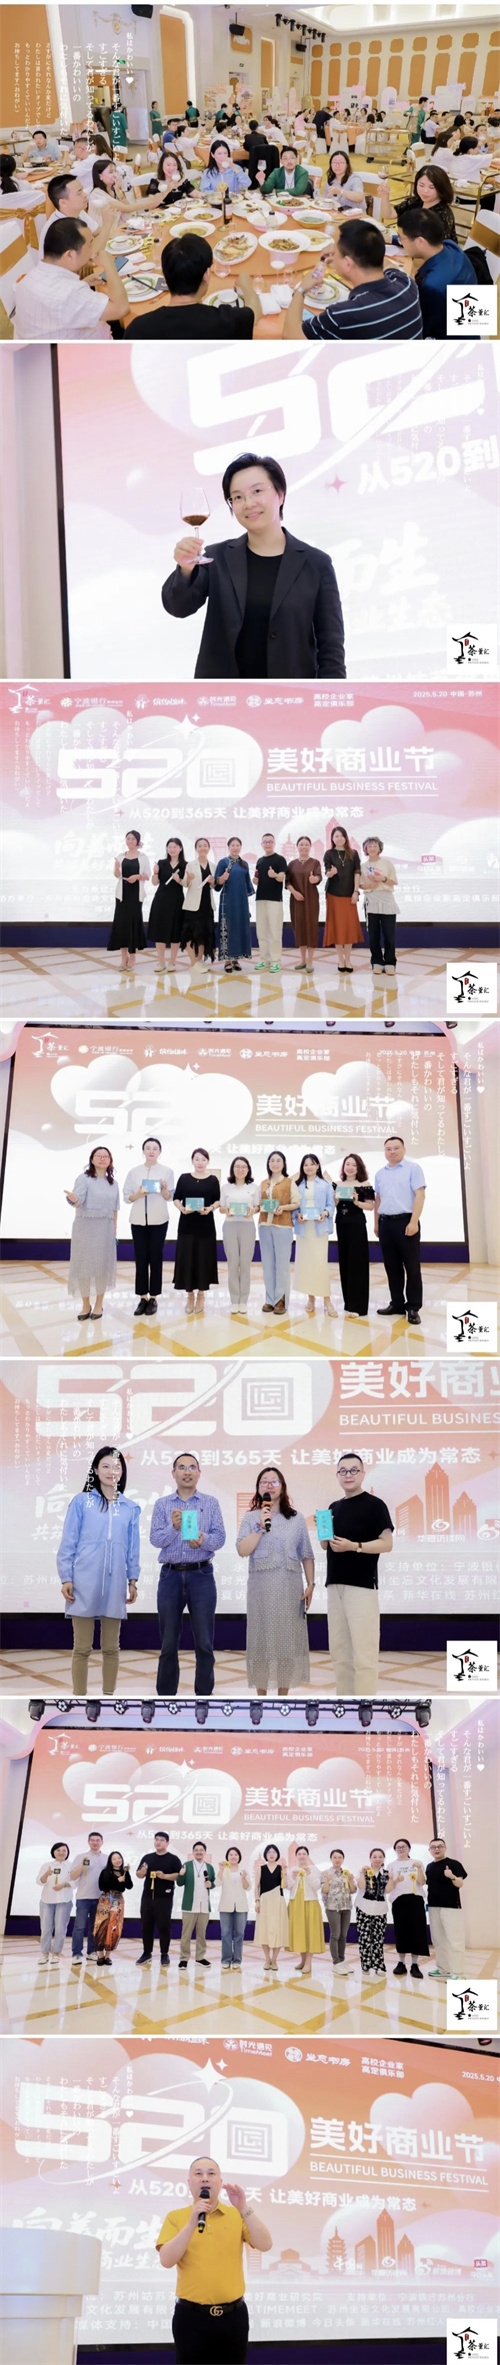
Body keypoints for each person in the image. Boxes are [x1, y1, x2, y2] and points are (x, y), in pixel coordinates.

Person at [162, 451, 346, 680]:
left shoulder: (316, 564)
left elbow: (331, 647)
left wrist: (330, 695)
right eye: (237, 497)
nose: (248, 503)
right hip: (224, 695)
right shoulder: (217, 557)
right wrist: (186, 569)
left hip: (290, 694)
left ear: (280, 494)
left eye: (257, 491)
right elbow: (178, 607)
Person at [157, 2154, 272, 2365]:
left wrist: (243, 2208)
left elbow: (265, 2244)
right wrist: (191, 2222)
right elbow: (166, 2260)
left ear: (220, 2182)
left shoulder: (236, 2215)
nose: (205, 2178)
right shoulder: (176, 2217)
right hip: (190, 2318)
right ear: (189, 2182)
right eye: (198, 2173)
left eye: (211, 2173)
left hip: (233, 2317)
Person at [57, 1447, 140, 1694]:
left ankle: (108, 1698)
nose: (111, 1471)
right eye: (106, 1466)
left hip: (115, 1584)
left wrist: (132, 1580)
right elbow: (68, 1541)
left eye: (117, 1466)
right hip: (83, 1581)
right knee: (82, 1648)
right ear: (95, 1469)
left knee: (111, 1648)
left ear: (122, 1472)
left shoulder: (130, 1508)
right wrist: (66, 1577)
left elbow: (132, 1548)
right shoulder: (82, 1502)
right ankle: (80, 1698)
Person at [150, 1450, 226, 1696]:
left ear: (199, 1473)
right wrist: (174, 1527)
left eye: (192, 1467)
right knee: (168, 1642)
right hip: (170, 1577)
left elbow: (220, 1538)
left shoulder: (210, 1503)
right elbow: (155, 1539)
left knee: (204, 1642)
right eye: (181, 1467)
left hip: (201, 1575)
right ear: (173, 1473)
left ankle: (204, 1695)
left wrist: (203, 1540)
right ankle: (165, 1696)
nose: (187, 1472)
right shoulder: (162, 1504)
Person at [320, 1450, 393, 1696]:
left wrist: (355, 1546)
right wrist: (324, 1533)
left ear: (362, 1473)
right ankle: (345, 1703)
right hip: (334, 1585)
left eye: (353, 1470)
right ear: (337, 1475)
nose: (348, 1475)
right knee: (339, 1652)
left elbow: (387, 1543)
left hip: (361, 1586)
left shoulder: (375, 1505)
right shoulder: (333, 1507)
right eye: (343, 1471)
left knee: (364, 1654)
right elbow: (325, 1546)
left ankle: (365, 1705)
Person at [237, 1462, 314, 1695]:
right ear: (258, 1488)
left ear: (282, 1486)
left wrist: (311, 1584)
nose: (269, 1485)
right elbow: (242, 1550)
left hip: (290, 1589)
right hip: (260, 1591)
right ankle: (261, 1698)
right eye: (264, 1482)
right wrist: (260, 1528)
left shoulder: (297, 1519)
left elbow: (306, 1554)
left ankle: (283, 1698)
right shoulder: (251, 1518)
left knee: (286, 1644)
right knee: (260, 1644)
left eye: (273, 1481)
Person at [286, 216, 423, 341]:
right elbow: (387, 264)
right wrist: (340, 253)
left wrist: (301, 290)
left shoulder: (344, 314)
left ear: (347, 263)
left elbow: (290, 336)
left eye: (335, 251)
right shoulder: (406, 282)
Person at [126, 232, 260, 341]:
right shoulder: (225, 321)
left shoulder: (138, 329)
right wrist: (246, 285)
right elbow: (255, 311)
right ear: (206, 275)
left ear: (165, 277)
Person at [14, 216, 128, 340]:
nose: (92, 250)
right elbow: (121, 309)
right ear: (69, 255)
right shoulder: (71, 293)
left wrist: (84, 283)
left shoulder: (28, 279)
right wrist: (109, 265)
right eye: (90, 245)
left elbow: (59, 302)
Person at [397, 205, 477, 336]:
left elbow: (421, 330)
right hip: (471, 320)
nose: (400, 242)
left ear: (420, 242)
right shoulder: (451, 246)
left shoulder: (432, 286)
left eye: (401, 238)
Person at [374, 1133, 426, 1326]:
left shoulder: (413, 1168)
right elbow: (378, 1199)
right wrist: (376, 1224)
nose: (392, 1152)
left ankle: (413, 1307)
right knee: (392, 1266)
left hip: (406, 1222)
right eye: (388, 1149)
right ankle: (396, 1303)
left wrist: (414, 1221)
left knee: (412, 1267)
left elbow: (420, 1195)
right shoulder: (380, 1173)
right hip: (386, 1224)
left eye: (396, 1148)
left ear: (404, 1149)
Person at [65, 1144, 119, 1321]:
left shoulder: (113, 1183)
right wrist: (73, 1199)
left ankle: (98, 1304)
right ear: (92, 1159)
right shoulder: (84, 1179)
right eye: (98, 1155)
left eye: (105, 1156)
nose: (102, 1158)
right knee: (84, 1266)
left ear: (110, 1161)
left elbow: (115, 1209)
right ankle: (85, 1304)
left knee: (102, 1267)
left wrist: (114, 1230)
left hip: (105, 1230)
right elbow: (78, 1200)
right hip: (85, 1229)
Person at [123, 1136, 174, 1318]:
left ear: (160, 1152)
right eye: (148, 1148)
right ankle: (142, 1297)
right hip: (138, 1220)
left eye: (155, 1148)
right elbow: (127, 1197)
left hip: (159, 1220)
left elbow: (170, 1197)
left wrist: (164, 1189)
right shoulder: (134, 1172)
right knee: (141, 1258)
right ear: (143, 1151)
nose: (151, 1151)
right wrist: (138, 1194)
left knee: (156, 1257)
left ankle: (153, 1298)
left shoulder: (167, 1171)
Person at [172, 1148, 220, 1315]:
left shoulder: (213, 1180)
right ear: (192, 1160)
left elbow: (218, 1200)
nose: (200, 1162)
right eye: (197, 1159)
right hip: (187, 1224)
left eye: (203, 1159)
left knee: (203, 1259)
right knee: (187, 1259)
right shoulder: (184, 1178)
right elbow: (176, 1198)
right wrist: (181, 1208)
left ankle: (201, 1295)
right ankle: (190, 1296)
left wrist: (211, 1208)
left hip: (205, 1225)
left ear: (208, 1161)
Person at [292, 1153, 335, 1317]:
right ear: (302, 1168)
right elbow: (295, 1206)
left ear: (317, 1166)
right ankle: (310, 1299)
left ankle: (327, 1300)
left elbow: (331, 1205)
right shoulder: (297, 1185)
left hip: (319, 1228)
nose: (309, 1167)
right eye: (306, 1164)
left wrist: (325, 1213)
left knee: (320, 1264)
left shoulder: (325, 1185)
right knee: (306, 1265)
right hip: (304, 1229)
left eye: (312, 1164)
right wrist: (297, 1215)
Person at [333, 1153, 375, 1319]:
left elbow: (371, 1206)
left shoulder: (364, 1185)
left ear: (359, 1168)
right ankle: (348, 1303)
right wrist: (336, 1199)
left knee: (358, 1263)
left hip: (357, 1225)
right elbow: (332, 1204)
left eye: (353, 1165)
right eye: (347, 1164)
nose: (350, 1167)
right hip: (341, 1225)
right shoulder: (336, 1185)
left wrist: (357, 1202)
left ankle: (358, 1306)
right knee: (345, 1263)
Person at [257, 1151, 298, 1313]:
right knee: (267, 1265)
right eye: (272, 1161)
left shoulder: (289, 1182)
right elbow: (258, 1204)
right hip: (264, 1226)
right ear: (268, 1164)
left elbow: (296, 1202)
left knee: (282, 1265)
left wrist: (283, 1207)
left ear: (283, 1163)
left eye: (278, 1160)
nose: (275, 1163)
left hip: (283, 1226)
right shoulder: (263, 1183)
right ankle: (269, 1299)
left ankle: (281, 1299)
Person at [136, 1829, 182, 1966]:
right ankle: (146, 1953)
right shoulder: (147, 1858)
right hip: (147, 1897)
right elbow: (139, 1875)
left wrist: (164, 1876)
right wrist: (142, 1872)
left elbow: (179, 1876)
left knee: (164, 1926)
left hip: (164, 1898)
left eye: (162, 1840)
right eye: (156, 1839)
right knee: (146, 1926)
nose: (158, 1842)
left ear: (167, 1843)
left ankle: (164, 1954)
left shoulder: (173, 1859)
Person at [220, 1155, 258, 1314]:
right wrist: (227, 1210)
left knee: (245, 1264)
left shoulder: (254, 1187)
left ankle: (244, 1300)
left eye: (243, 1167)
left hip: (248, 1226)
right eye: (237, 1166)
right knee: (233, 1264)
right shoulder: (226, 1187)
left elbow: (257, 1206)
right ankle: (234, 1300)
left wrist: (253, 1210)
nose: (240, 1169)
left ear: (248, 1169)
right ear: (232, 1169)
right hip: (230, 1225)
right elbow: (221, 1207)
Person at [108, 828, 151, 971]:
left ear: (138, 841)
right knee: (122, 925)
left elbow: (147, 875)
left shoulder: (143, 857)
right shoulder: (121, 856)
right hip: (122, 895)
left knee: (133, 925)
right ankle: (123, 958)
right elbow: (117, 875)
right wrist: (116, 868)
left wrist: (137, 877)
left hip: (135, 895)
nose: (130, 841)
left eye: (133, 839)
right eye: (128, 839)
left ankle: (132, 957)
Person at [387, 1839, 429, 1979]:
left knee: (417, 1931)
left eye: (403, 1846)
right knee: (401, 1931)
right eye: (398, 1847)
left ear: (409, 1848)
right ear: (395, 1850)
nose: (401, 1849)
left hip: (416, 1899)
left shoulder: (417, 1863)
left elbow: (422, 1882)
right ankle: (401, 1963)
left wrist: (419, 1869)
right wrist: (395, 1880)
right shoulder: (391, 1865)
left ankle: (415, 1965)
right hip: (399, 1900)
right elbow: (389, 1888)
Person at [426, 1837, 467, 1978]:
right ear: (430, 1850)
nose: (436, 1849)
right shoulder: (429, 1867)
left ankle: (458, 1973)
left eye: (439, 1846)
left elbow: (460, 1884)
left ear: (445, 1848)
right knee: (438, 1940)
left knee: (455, 1941)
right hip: (433, 1907)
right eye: (433, 1847)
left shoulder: (454, 1864)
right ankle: (443, 1969)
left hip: (451, 1907)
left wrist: (452, 1876)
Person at [323, 825, 363, 970]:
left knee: (348, 927)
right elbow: (327, 872)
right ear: (332, 839)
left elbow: (357, 873)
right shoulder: (329, 854)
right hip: (333, 894)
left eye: (341, 835)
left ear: (345, 837)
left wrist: (356, 892)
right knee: (337, 927)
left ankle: (348, 960)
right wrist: (331, 873)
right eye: (336, 836)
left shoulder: (354, 853)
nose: (339, 838)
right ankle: (341, 960)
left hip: (349, 894)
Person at [359, 835, 398, 974]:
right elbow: (361, 885)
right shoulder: (363, 866)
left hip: (386, 900)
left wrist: (382, 878)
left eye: (375, 846)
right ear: (365, 849)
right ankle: (376, 961)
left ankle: (390, 962)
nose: (372, 848)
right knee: (373, 935)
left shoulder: (387, 863)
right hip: (371, 900)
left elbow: (394, 881)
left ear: (379, 848)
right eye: (369, 846)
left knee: (389, 934)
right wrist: (370, 885)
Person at [214, 838, 253, 972]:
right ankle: (227, 960)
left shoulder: (244, 864)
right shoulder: (223, 862)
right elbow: (217, 884)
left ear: (240, 847)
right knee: (228, 927)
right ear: (228, 847)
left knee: (239, 928)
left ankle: (236, 959)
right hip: (227, 901)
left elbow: (248, 885)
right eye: (233, 845)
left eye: (237, 845)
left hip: (241, 902)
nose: (235, 848)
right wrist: (222, 878)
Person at [147, 837, 186, 971]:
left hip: (177, 901)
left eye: (175, 847)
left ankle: (172, 962)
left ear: (180, 848)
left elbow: (187, 884)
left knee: (175, 931)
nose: (172, 849)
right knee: (160, 930)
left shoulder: (185, 865)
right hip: (161, 900)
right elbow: (154, 882)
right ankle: (161, 962)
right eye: (169, 847)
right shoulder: (161, 863)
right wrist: (155, 872)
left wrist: (178, 880)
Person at [286, 835, 322, 972]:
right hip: (296, 900)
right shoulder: (292, 864)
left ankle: (310, 961)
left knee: (311, 927)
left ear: (310, 847)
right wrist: (294, 892)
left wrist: (314, 879)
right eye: (301, 844)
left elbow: (318, 877)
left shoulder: (315, 862)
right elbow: (287, 882)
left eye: (306, 844)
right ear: (297, 846)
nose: (304, 847)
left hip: (311, 899)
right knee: (299, 927)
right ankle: (302, 960)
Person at [176, 1843, 216, 1966]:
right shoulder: (187, 1865)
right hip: (189, 1905)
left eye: (201, 1850)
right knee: (186, 1934)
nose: (199, 1852)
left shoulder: (209, 1867)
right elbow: (179, 1883)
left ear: (205, 1852)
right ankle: (184, 1958)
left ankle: (200, 1957)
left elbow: (212, 1882)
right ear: (193, 1852)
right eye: (196, 1850)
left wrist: (211, 1885)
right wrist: (181, 1874)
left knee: (201, 1934)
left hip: (204, 1906)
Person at [253, 831, 287, 972]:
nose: (267, 844)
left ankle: (276, 961)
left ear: (274, 843)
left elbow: (282, 877)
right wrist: (255, 881)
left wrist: (275, 875)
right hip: (260, 899)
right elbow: (257, 878)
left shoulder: (280, 859)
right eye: (265, 842)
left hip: (275, 900)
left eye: (270, 842)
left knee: (274, 931)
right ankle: (264, 960)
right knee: (261, 931)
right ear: (261, 844)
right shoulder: (260, 861)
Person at [288, 1845, 325, 1975]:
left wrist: (309, 1874)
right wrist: (293, 1878)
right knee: (300, 1932)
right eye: (299, 1854)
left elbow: (316, 1886)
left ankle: (309, 1962)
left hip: (310, 1903)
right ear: (296, 1856)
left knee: (310, 1933)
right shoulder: (292, 1869)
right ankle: (303, 1960)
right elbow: (288, 1886)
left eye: (304, 1853)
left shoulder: (314, 1869)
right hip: (295, 1903)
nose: (302, 1856)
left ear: (307, 1855)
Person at [69, 1830, 104, 1966]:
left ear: (102, 1842)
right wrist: (82, 1864)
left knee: (95, 1927)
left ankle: (92, 1951)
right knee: (79, 1927)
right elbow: (72, 1876)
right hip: (83, 1897)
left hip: (100, 1898)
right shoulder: (81, 1857)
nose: (95, 1843)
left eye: (97, 1840)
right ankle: (77, 1953)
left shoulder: (107, 1858)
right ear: (88, 1842)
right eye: (92, 1840)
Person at [180, 838, 216, 966]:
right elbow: (185, 884)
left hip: (207, 904)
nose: (202, 848)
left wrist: (213, 882)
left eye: (205, 845)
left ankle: (199, 961)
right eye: (199, 846)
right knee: (190, 934)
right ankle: (193, 962)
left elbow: (214, 886)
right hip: (193, 905)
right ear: (196, 849)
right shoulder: (190, 865)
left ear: (209, 848)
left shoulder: (213, 866)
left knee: (203, 934)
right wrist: (189, 878)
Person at [94, 1851, 133, 1966]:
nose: (117, 1860)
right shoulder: (105, 1871)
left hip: (118, 1901)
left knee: (114, 1926)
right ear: (110, 1861)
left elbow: (129, 1886)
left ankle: (108, 1956)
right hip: (105, 1901)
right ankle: (100, 1955)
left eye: (119, 1858)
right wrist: (117, 1881)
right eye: (114, 1859)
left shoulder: (124, 1872)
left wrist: (126, 1875)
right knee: (101, 1925)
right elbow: (102, 1886)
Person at [321, 1849, 357, 1974]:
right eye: (335, 1857)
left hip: (346, 1907)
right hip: (332, 1907)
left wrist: (351, 1880)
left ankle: (342, 1961)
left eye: (340, 1857)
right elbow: (324, 1891)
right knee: (335, 1935)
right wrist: (328, 1880)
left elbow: (353, 1890)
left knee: (343, 1935)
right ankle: (336, 1963)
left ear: (343, 1859)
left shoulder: (346, 1873)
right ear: (331, 1859)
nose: (337, 1859)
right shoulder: (326, 1873)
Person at [355, 1849, 389, 1977]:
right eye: (374, 1856)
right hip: (363, 1908)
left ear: (383, 1859)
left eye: (380, 1856)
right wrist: (362, 1873)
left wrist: (394, 1879)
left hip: (380, 1910)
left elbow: (388, 1890)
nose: (377, 1859)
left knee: (378, 1939)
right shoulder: (364, 1871)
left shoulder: (386, 1873)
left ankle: (379, 1965)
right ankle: (366, 1965)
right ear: (370, 1858)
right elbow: (361, 1887)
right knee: (364, 1938)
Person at [37, 1843, 73, 1964]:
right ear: (53, 1852)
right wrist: (46, 1874)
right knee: (46, 1929)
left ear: (67, 1852)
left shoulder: (71, 1866)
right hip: (47, 1900)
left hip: (64, 1901)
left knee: (60, 1929)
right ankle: (45, 1953)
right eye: (58, 1850)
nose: (61, 1852)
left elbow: (75, 1882)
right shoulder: (47, 1865)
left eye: (64, 1850)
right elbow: (39, 1882)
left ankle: (56, 1953)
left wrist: (63, 1885)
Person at [218, 1847, 251, 1969]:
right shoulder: (224, 1870)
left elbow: (248, 1887)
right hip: (225, 1906)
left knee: (239, 1934)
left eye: (236, 1854)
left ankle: (237, 1960)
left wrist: (243, 1878)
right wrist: (221, 1870)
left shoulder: (243, 1871)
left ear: (239, 1857)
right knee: (225, 1934)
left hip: (241, 1906)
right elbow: (217, 1883)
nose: (233, 1856)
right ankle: (226, 1960)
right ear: (227, 1857)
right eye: (231, 1854)